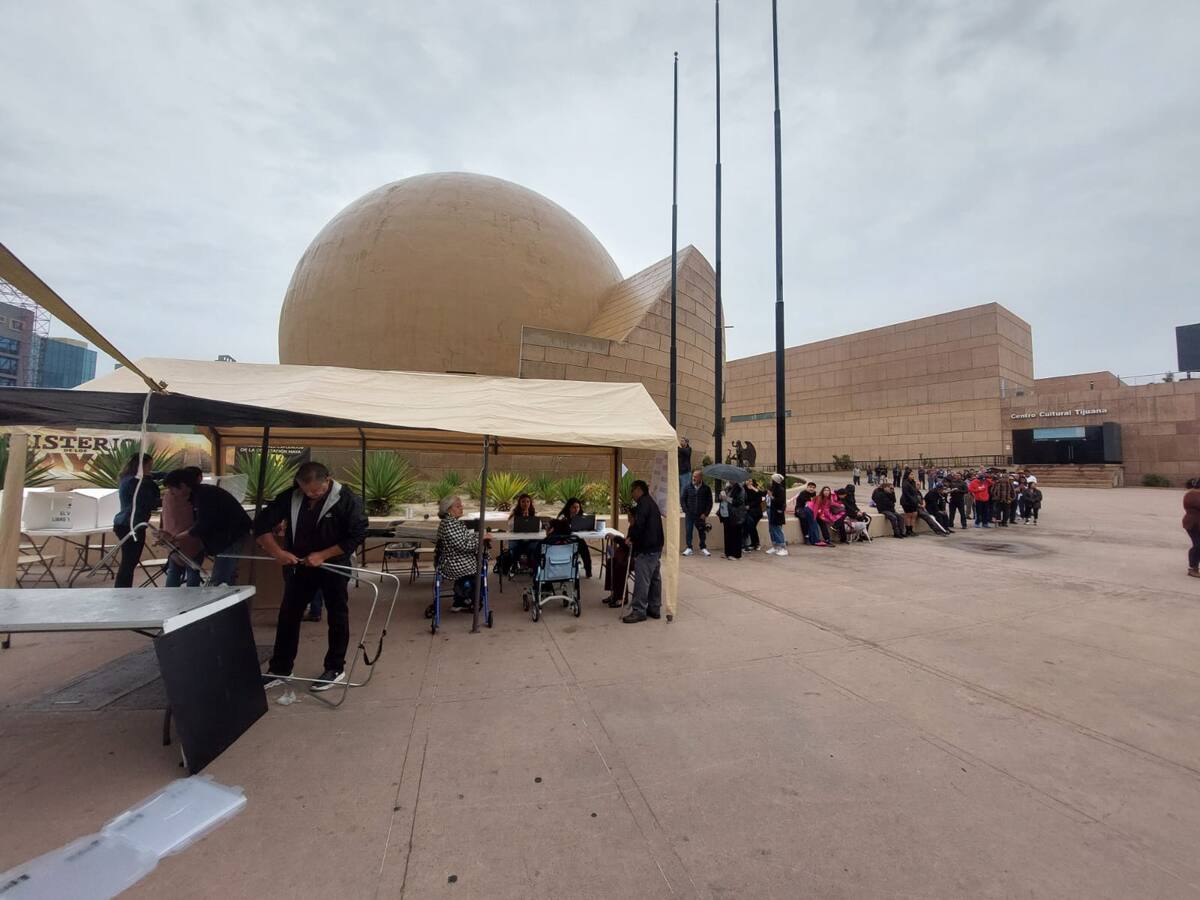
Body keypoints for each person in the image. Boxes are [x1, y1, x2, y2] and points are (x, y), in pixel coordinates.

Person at [255, 461, 368, 692]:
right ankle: (281, 668)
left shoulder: (347, 499)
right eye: (306, 491)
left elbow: (357, 534)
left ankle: (335, 667)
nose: (312, 495)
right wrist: (278, 553)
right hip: (299, 566)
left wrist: (323, 555)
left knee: (337, 615)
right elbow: (260, 525)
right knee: (288, 615)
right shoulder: (291, 496)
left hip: (333, 566)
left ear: (328, 480)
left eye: (317, 490)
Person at [161, 468, 252, 585]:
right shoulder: (196, 496)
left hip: (231, 538)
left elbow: (202, 525)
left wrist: (175, 538)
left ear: (182, 485)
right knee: (223, 578)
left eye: (172, 488)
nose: (171, 492)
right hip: (223, 539)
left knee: (220, 581)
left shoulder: (205, 495)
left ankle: (226, 602)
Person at [113, 453, 161, 588]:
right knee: (129, 562)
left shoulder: (127, 478)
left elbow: (153, 475)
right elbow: (147, 501)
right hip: (132, 524)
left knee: (129, 561)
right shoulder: (136, 482)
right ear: (143, 466)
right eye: (149, 466)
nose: (151, 469)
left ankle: (123, 589)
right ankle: (123, 590)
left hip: (124, 523)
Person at [435, 494, 488, 614]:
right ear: (449, 509)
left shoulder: (451, 522)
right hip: (455, 563)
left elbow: (464, 540)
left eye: (461, 505)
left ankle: (461, 600)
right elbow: (464, 545)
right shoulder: (450, 524)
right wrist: (482, 539)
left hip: (456, 560)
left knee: (477, 566)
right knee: (479, 569)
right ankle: (469, 600)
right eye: (458, 506)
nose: (461, 508)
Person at [623, 479, 664, 623]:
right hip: (656, 546)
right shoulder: (651, 503)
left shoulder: (643, 504)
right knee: (654, 579)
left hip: (647, 547)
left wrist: (631, 537)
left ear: (638, 490)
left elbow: (639, 524)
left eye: (632, 491)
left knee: (643, 580)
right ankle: (654, 607)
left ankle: (639, 610)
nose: (631, 494)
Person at [159, 466, 204, 587]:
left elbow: (164, 518)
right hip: (190, 539)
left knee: (174, 571)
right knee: (193, 571)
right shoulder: (192, 497)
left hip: (171, 540)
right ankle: (193, 601)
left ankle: (171, 599)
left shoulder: (167, 497)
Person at [503, 493, 539, 576]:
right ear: (519, 503)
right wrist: (522, 519)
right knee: (514, 547)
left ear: (530, 503)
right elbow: (510, 526)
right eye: (523, 502)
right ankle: (514, 565)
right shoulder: (514, 514)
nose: (525, 504)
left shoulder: (533, 514)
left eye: (527, 502)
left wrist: (529, 518)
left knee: (536, 546)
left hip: (529, 540)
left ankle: (532, 566)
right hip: (517, 540)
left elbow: (538, 526)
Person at [556, 498, 593, 577]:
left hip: (576, 538)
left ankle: (588, 570)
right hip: (564, 539)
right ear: (569, 507)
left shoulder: (581, 516)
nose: (576, 509)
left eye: (578, 507)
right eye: (574, 507)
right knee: (581, 544)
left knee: (584, 548)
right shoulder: (563, 517)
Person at [681, 469, 713, 557]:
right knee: (689, 531)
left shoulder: (706, 488)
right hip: (690, 514)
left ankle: (703, 547)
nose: (693, 478)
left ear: (700, 477)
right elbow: (683, 499)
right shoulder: (688, 487)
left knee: (702, 531)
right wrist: (685, 510)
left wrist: (705, 514)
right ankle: (689, 548)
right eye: (693, 476)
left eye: (695, 476)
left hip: (701, 515)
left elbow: (709, 503)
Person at [717, 480, 746, 559]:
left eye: (731, 479)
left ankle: (736, 555)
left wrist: (727, 498)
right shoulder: (728, 488)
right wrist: (720, 498)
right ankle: (728, 553)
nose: (729, 480)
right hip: (726, 514)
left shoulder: (740, 489)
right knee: (727, 534)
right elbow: (722, 499)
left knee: (735, 535)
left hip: (735, 515)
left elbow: (739, 501)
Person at [766, 473, 789, 556]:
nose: (770, 481)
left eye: (772, 479)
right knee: (771, 529)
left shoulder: (780, 489)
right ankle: (775, 546)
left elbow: (780, 501)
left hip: (777, 512)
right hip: (771, 511)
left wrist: (771, 496)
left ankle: (783, 547)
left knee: (777, 529)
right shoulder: (773, 488)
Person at [793, 481, 821, 545]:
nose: (812, 489)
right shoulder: (803, 493)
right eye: (810, 487)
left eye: (813, 488)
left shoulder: (814, 494)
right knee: (804, 518)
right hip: (800, 509)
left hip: (809, 510)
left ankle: (815, 537)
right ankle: (806, 536)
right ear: (807, 487)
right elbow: (806, 503)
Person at [1183, 477, 1200, 579]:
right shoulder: (1191, 495)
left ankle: (1194, 566)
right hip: (1192, 525)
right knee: (1198, 545)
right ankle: (1193, 568)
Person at [743, 479, 764, 552]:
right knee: (750, 527)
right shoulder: (744, 489)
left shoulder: (755, 489)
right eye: (747, 480)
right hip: (748, 512)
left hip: (756, 512)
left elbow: (760, 498)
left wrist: (753, 488)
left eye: (750, 481)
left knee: (752, 527)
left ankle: (756, 544)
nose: (749, 482)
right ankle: (753, 543)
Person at [900, 471, 923, 536]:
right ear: (907, 475)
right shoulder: (905, 483)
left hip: (914, 501)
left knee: (914, 514)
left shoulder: (913, 482)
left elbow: (916, 491)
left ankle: (911, 530)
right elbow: (907, 494)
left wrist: (916, 501)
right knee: (908, 515)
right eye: (911, 474)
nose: (913, 476)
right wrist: (913, 501)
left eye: (913, 474)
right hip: (907, 501)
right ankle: (908, 530)